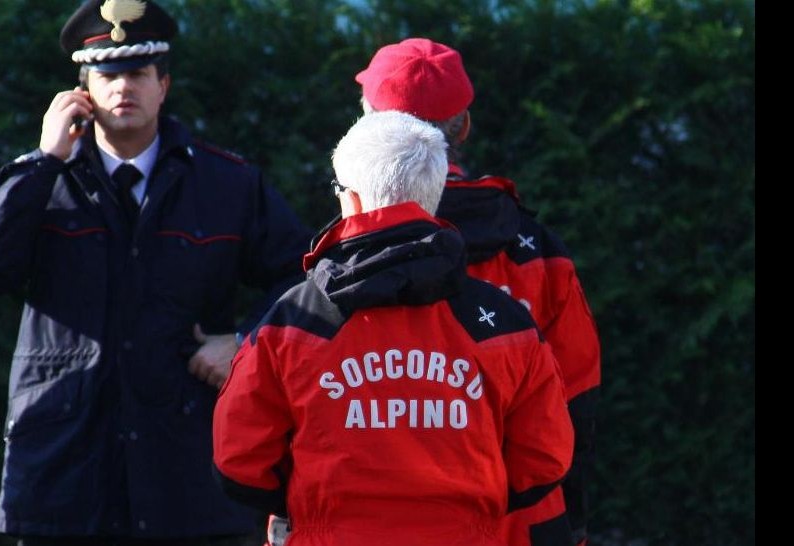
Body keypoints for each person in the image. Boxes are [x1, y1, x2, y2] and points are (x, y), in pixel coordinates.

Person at [0, 1, 312, 544]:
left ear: (164, 84)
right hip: (64, 479)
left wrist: (246, 341)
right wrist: (43, 160)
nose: (123, 89)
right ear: (81, 91)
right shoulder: (45, 181)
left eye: (137, 73)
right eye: (107, 74)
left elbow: (304, 277)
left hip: (187, 478)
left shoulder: (225, 183)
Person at [212, 110, 574, 546]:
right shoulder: (504, 324)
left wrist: (310, 504)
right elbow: (545, 457)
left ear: (354, 200)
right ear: (433, 195)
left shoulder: (294, 322)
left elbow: (239, 459)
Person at [352, 37, 603, 546]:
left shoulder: (343, 259)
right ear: (464, 125)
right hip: (521, 521)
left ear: (365, 124)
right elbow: (577, 399)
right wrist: (571, 521)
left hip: (374, 523)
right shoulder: (537, 253)